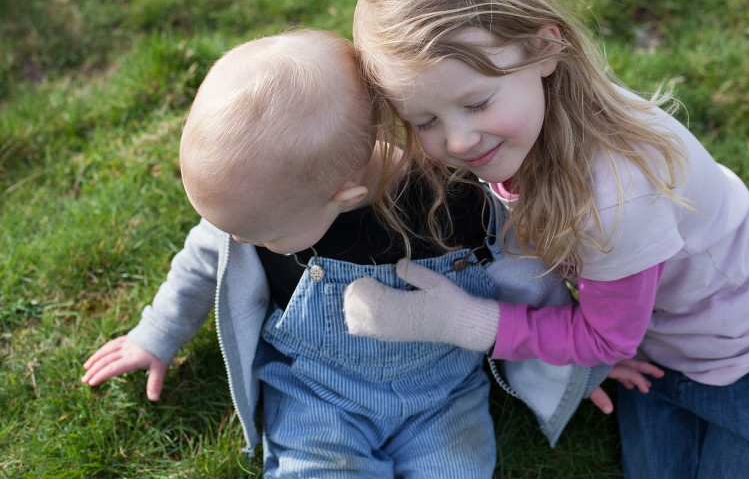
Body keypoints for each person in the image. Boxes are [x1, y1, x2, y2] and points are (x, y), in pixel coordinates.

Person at [345, 0, 749, 478]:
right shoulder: (523, 127)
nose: (457, 142)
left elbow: (604, 334)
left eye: (477, 102)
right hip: (654, 346)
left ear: (545, 47)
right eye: (425, 121)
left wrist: (460, 320)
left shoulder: (614, 195)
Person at [82, 30, 504, 478]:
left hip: (442, 392)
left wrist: (574, 359)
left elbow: (531, 276)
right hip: (318, 392)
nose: (239, 244)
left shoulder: (460, 201)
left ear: (344, 197)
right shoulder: (255, 208)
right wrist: (156, 334)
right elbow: (201, 263)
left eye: (262, 235)